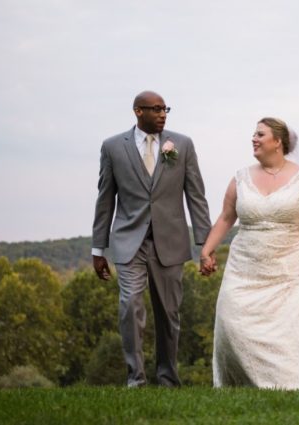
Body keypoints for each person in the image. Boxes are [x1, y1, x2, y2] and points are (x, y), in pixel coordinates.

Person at [200, 117, 299, 390]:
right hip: (244, 266)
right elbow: (225, 217)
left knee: (297, 327)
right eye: (253, 135)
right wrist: (206, 251)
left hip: (290, 265)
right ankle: (242, 385)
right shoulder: (240, 178)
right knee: (232, 321)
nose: (253, 139)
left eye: (260, 134)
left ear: (278, 142)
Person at [92, 91, 212, 388]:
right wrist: (98, 248)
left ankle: (168, 377)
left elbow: (196, 196)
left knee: (168, 313)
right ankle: (136, 379)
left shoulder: (181, 145)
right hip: (128, 241)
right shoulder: (112, 147)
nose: (162, 114)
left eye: (165, 109)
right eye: (155, 109)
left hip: (170, 241)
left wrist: (205, 245)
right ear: (137, 111)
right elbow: (105, 199)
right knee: (130, 303)